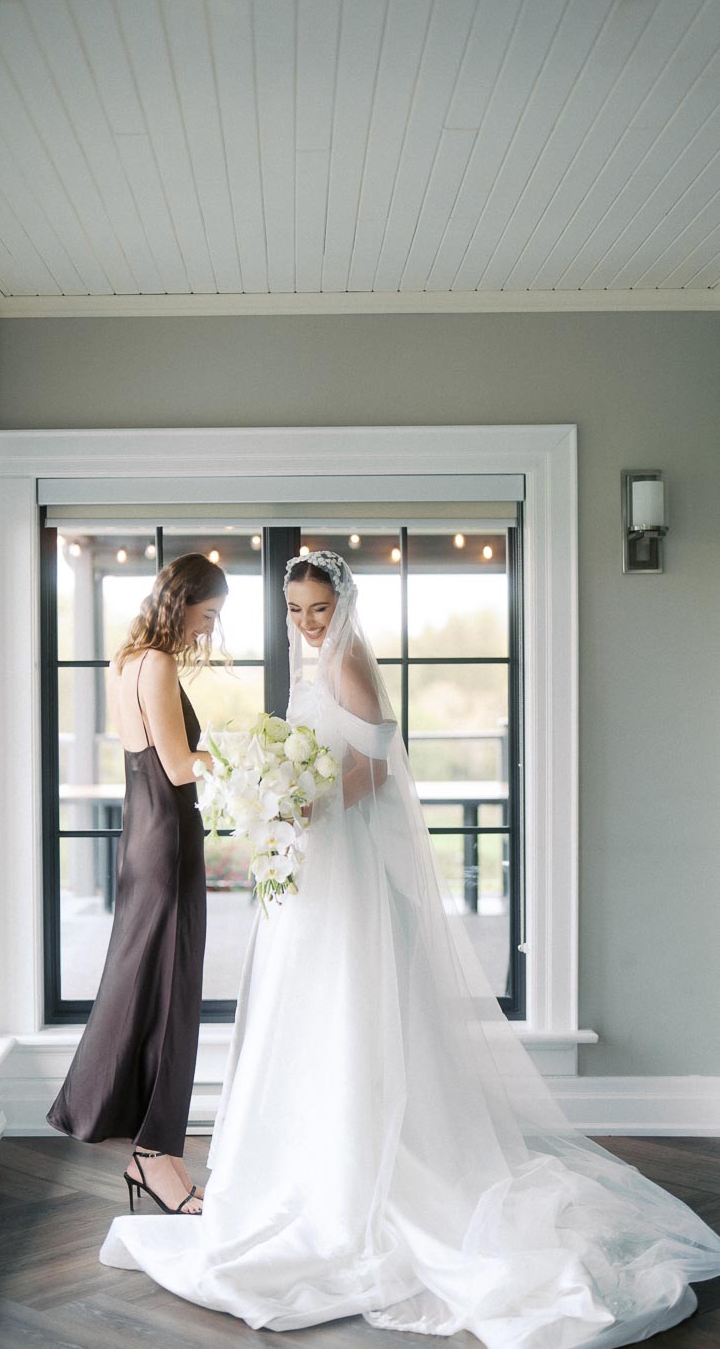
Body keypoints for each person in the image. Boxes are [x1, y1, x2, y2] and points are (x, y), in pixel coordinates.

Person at [98, 549, 720, 1344]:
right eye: (295, 610)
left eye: (317, 608)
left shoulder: (350, 659)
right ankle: (292, 1175)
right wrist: (282, 802)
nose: (306, 623)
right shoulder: (304, 661)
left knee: (347, 1003)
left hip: (342, 860)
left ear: (341, 604)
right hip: (307, 864)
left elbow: (374, 770)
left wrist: (306, 804)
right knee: (296, 1011)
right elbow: (304, 754)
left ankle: (361, 1178)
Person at [46, 553, 228, 1216]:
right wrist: (246, 757)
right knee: (172, 998)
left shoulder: (125, 662)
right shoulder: (157, 664)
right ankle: (157, 1162)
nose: (208, 631)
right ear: (182, 603)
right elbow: (180, 768)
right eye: (207, 616)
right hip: (171, 841)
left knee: (148, 990)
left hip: (144, 838)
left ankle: (158, 1157)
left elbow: (150, 758)